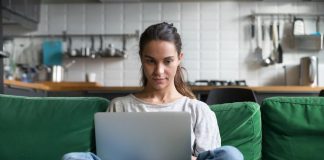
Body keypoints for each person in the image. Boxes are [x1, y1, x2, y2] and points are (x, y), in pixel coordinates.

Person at [107, 22, 243, 160]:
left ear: (179, 59)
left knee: (231, 155)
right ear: (141, 58)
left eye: (167, 61)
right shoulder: (119, 106)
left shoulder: (198, 110)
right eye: (151, 61)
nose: (159, 71)